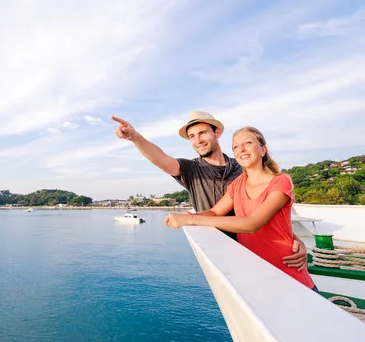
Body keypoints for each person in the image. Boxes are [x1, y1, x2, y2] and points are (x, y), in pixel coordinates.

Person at [112, 111, 307, 271]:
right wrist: (135, 138)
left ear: (217, 133)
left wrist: (291, 238)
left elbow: (267, 211)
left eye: (203, 133)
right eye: (192, 136)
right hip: (223, 252)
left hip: (254, 249)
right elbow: (161, 159)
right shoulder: (191, 169)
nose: (198, 140)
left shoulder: (242, 167)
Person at [164, 127, 316, 290]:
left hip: (287, 271)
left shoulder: (280, 181)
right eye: (235, 147)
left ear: (262, 150)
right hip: (255, 273)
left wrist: (192, 219)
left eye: (248, 143)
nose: (241, 149)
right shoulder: (238, 184)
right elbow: (215, 212)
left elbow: (252, 224)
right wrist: (187, 217)